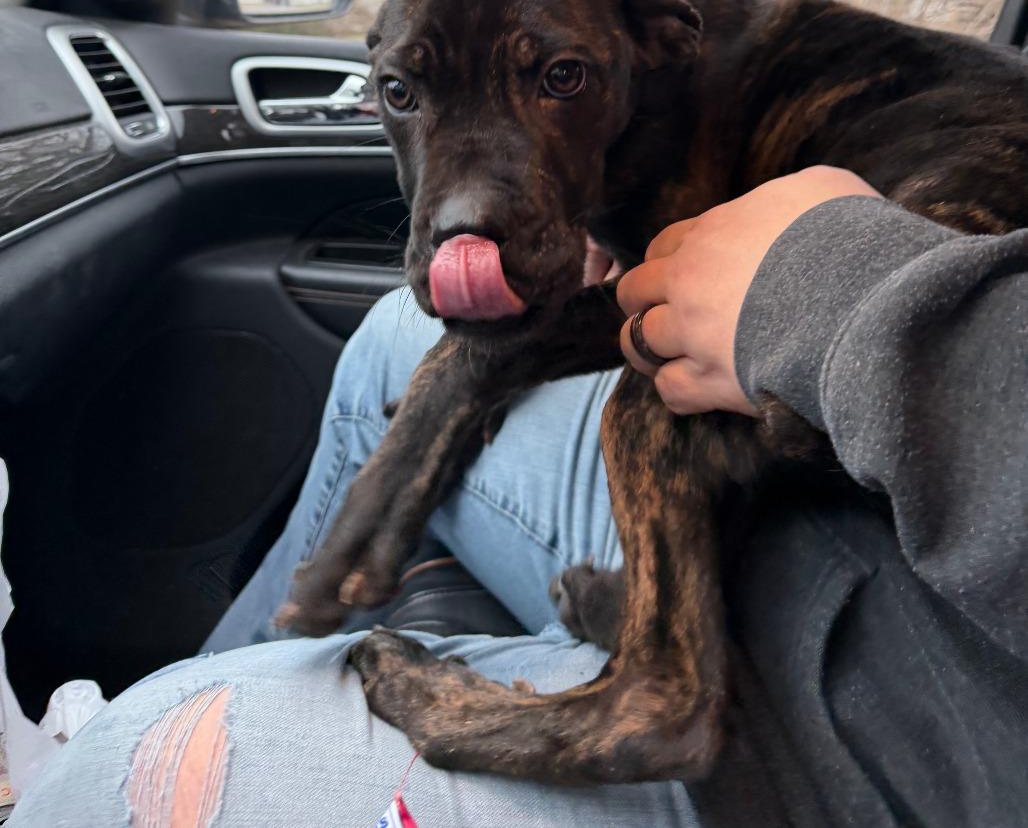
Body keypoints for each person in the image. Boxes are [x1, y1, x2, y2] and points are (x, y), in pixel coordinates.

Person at [10, 167, 1027, 828]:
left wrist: (823, 284)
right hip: (875, 513)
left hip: (900, 739)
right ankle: (213, 665)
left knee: (145, 762)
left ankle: (60, 777)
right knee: (402, 351)